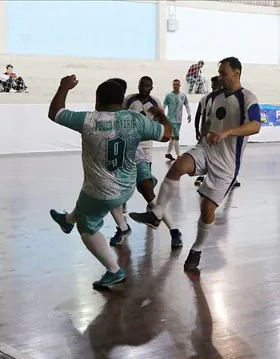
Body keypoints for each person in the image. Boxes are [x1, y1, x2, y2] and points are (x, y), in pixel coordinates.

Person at [129, 57, 261, 271]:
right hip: (207, 149)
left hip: (227, 163)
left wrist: (227, 132)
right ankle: (157, 213)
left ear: (237, 73)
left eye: (223, 73)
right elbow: (208, 120)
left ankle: (197, 248)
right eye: (219, 73)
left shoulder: (248, 97)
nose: (219, 77)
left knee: (206, 209)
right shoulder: (213, 97)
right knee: (178, 166)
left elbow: (255, 126)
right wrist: (204, 135)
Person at [48, 75, 172, 288]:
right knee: (85, 202)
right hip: (126, 188)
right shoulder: (135, 119)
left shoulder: (89, 120)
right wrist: (162, 116)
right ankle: (67, 221)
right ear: (122, 100)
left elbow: (55, 113)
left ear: (97, 102)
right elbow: (167, 135)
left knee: (87, 227)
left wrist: (64, 87)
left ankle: (113, 270)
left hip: (101, 191)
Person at [108, 76, 183, 248]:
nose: (144, 88)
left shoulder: (150, 107)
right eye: (142, 85)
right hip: (124, 151)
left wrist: (161, 115)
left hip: (142, 150)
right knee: (115, 194)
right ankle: (123, 226)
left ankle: (169, 227)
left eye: (148, 86)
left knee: (146, 190)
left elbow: (165, 133)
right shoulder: (124, 105)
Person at [193, 76, 240, 189]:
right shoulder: (206, 98)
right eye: (213, 84)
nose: (215, 86)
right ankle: (201, 176)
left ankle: (231, 177)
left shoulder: (230, 98)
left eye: (217, 84)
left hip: (222, 133)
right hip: (208, 132)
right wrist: (198, 130)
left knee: (224, 155)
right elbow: (199, 114)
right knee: (205, 153)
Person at [163, 79, 192, 161]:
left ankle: (168, 153)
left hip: (179, 120)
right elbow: (164, 106)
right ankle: (179, 156)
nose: (175, 86)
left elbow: (187, 105)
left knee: (173, 138)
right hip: (171, 120)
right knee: (176, 137)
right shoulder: (168, 95)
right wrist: (162, 116)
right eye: (174, 85)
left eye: (177, 85)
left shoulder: (183, 95)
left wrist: (189, 114)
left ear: (179, 85)